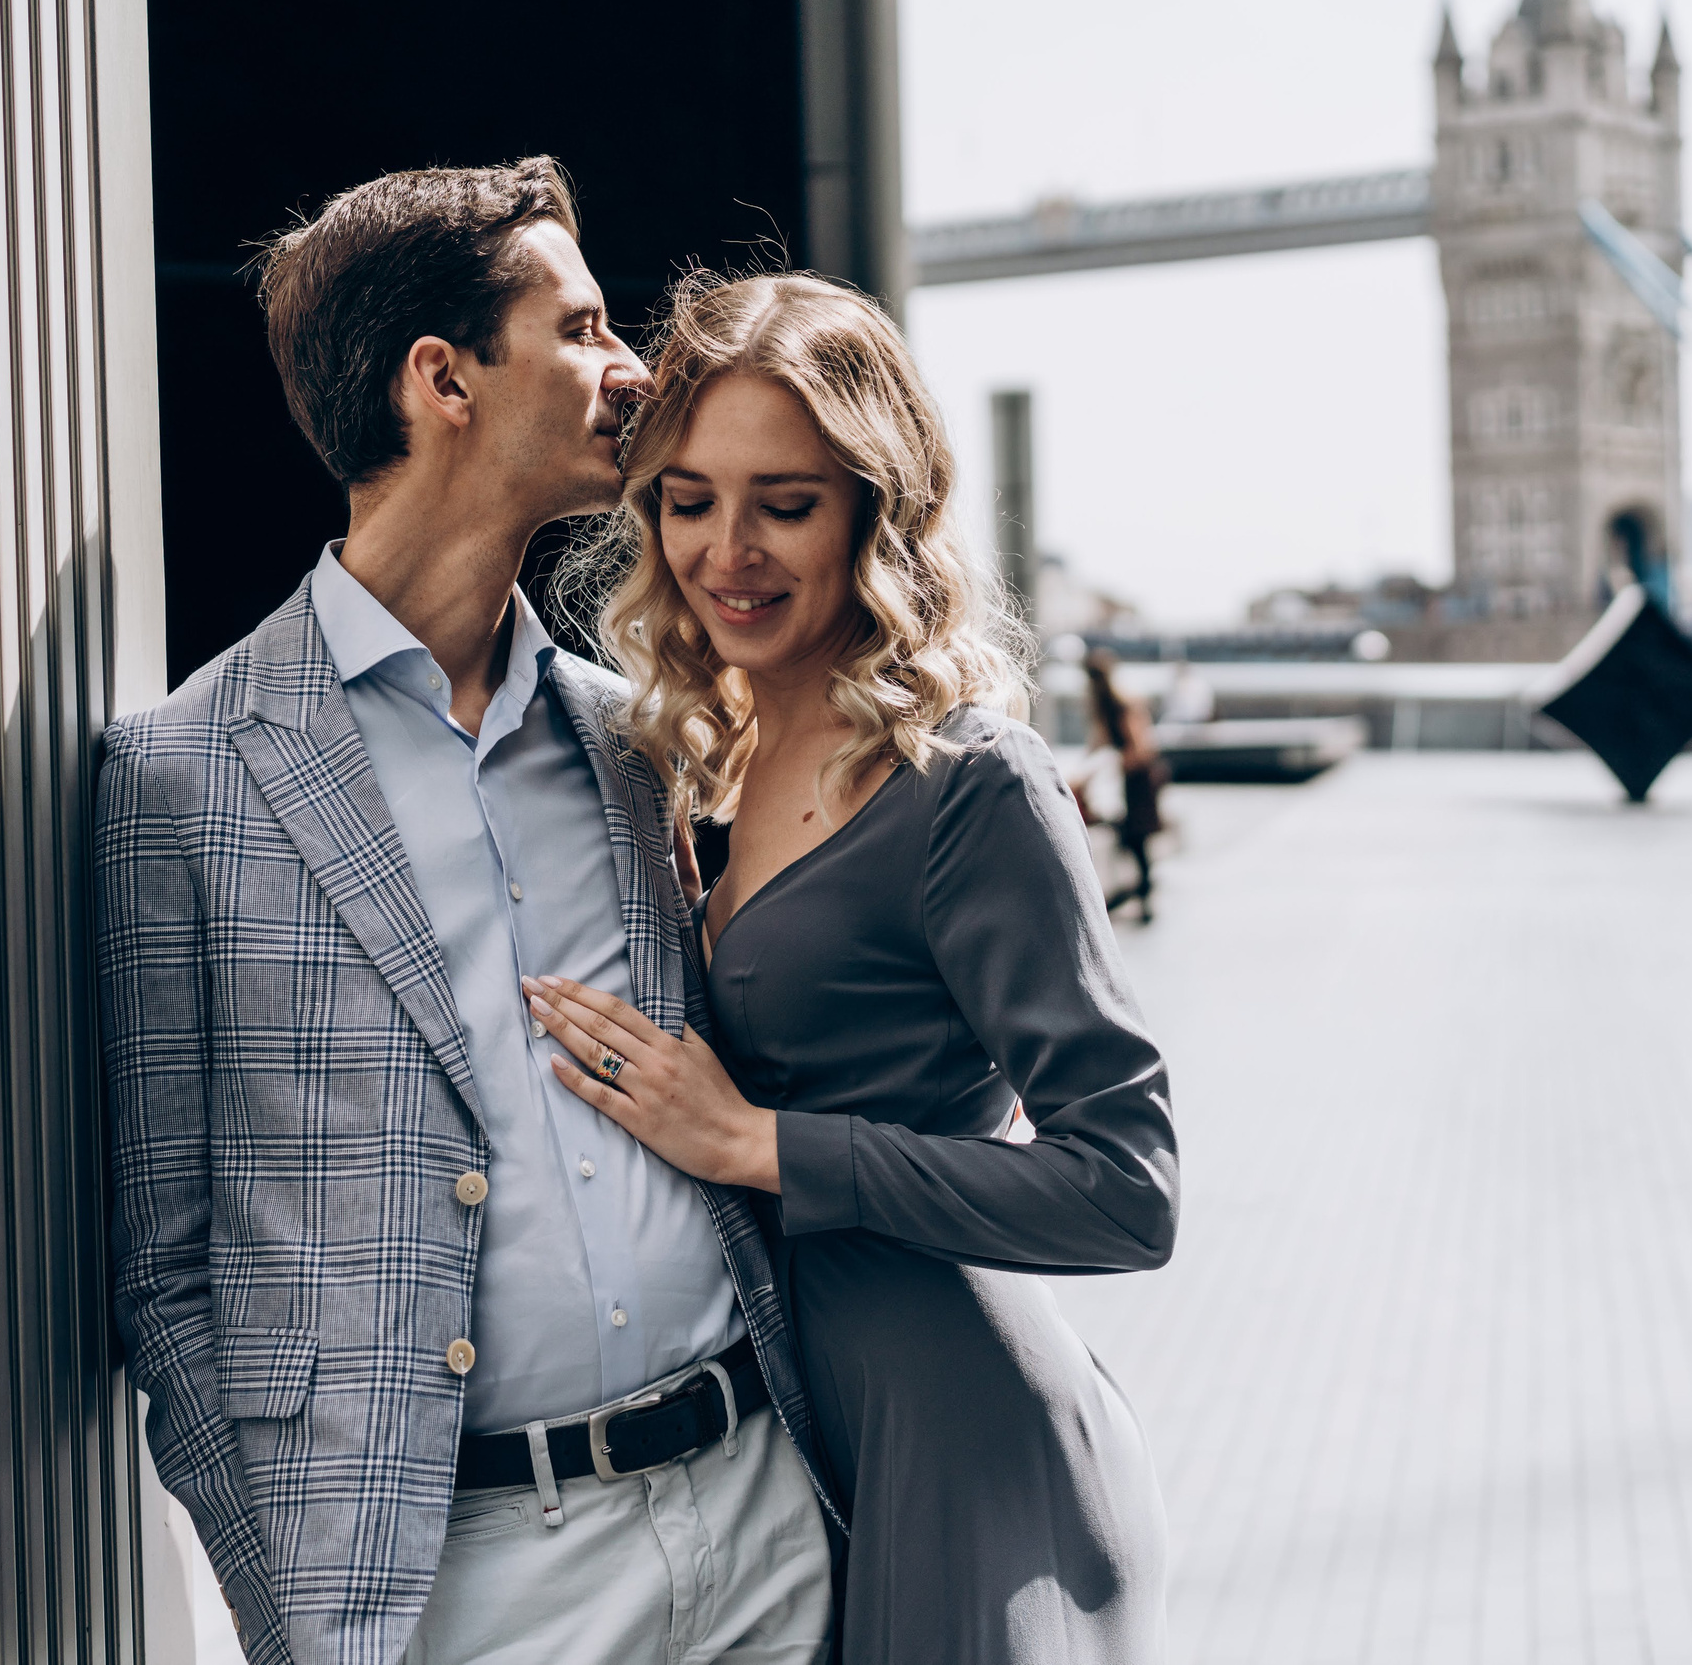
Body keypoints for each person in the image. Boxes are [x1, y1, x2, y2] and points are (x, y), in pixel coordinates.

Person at [96, 162, 836, 1665]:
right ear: (443, 380)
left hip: (759, 1515)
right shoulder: (182, 777)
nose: (634, 370)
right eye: (582, 329)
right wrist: (298, 1621)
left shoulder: (641, 739)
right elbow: (166, 1275)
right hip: (470, 1584)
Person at [533, 271, 1179, 1664]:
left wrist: (761, 1144)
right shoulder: (699, 762)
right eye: (689, 500)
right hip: (783, 1442)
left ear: (874, 512)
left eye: (785, 503)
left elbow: (1130, 1191)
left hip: (956, 1442)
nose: (727, 551)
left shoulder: (969, 782)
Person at [1083, 649, 1167, 922]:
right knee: (1132, 837)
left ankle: (1143, 895)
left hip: (1138, 781)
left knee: (1136, 836)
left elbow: (1141, 748)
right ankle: (1139, 893)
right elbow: (1099, 742)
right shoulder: (1109, 703)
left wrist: (1113, 763)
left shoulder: (1120, 704)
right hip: (1129, 779)